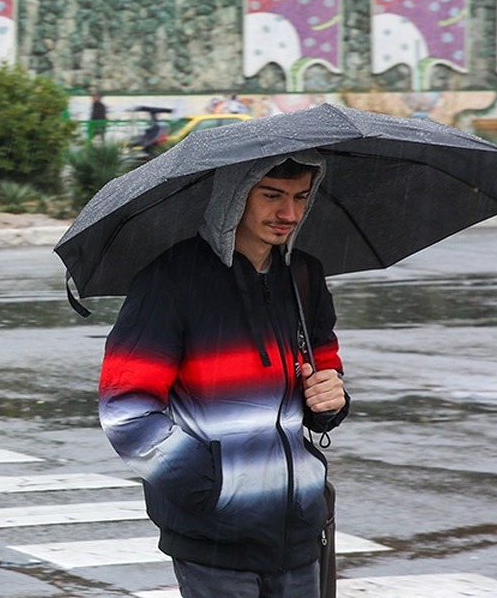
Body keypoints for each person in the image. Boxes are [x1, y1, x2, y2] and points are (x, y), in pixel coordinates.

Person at [98, 155, 348, 598]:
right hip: (214, 538)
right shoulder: (171, 280)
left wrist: (331, 400)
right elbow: (127, 412)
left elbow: (324, 381)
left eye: (300, 198)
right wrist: (213, 488)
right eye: (271, 195)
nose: (288, 214)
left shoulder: (305, 276)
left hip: (298, 530)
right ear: (235, 195)